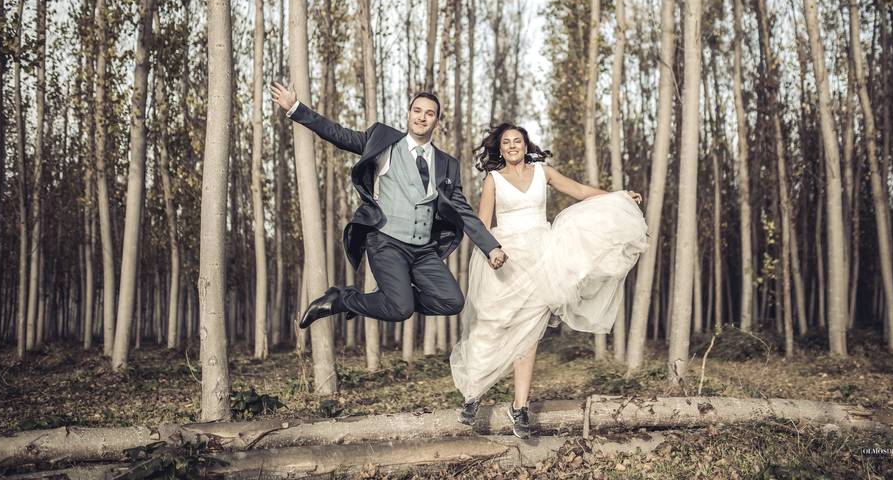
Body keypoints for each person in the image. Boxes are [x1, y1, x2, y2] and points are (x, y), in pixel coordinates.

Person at [450, 123, 648, 439]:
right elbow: (481, 225)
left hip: (542, 259)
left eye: (518, 140)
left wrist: (618, 196)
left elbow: (581, 192)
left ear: (526, 145)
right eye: (506, 142)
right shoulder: (494, 180)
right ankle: (473, 395)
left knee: (529, 333)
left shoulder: (543, 172)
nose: (512, 145)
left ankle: (521, 407)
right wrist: (492, 252)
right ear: (500, 149)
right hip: (505, 260)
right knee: (491, 327)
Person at [270, 82, 507, 327]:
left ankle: (390, 296)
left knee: (452, 301)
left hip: (423, 250)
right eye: (417, 111)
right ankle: (342, 300)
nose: (422, 117)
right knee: (401, 309)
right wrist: (295, 109)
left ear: (437, 121)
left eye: (429, 114)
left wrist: (491, 247)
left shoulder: (447, 164)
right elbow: (338, 134)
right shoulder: (384, 142)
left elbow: (462, 211)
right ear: (408, 114)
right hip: (386, 242)